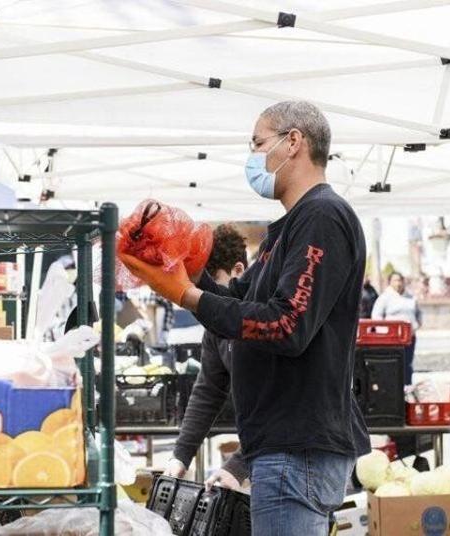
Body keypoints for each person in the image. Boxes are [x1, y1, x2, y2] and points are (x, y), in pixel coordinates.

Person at [121, 100, 370, 536]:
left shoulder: (322, 217)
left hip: (297, 448)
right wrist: (177, 269)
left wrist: (188, 293)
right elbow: (239, 299)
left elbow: (286, 324)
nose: (252, 156)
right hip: (284, 449)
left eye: (257, 143)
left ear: (294, 142)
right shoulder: (290, 226)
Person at [164, 224, 250, 489]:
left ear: (239, 272)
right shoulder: (217, 329)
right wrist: (180, 456)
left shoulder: (261, 320)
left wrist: (238, 466)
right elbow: (208, 391)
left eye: (212, 286)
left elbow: (281, 409)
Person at [371, 271, 422, 385]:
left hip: (409, 337)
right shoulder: (384, 298)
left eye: (400, 280)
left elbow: (419, 314)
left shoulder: (411, 298)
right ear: (390, 282)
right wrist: (384, 331)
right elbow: (376, 316)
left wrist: (416, 326)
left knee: (407, 364)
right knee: (393, 364)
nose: (398, 283)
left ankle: (407, 388)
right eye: (395, 280)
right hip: (392, 338)